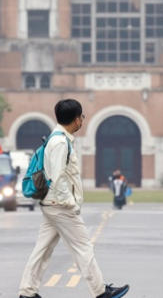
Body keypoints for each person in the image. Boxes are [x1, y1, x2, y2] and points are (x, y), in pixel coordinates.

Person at [18, 99, 129, 298]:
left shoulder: (59, 138)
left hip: (52, 204)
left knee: (42, 250)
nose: (82, 121)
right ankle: (101, 292)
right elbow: (57, 177)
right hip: (60, 206)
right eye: (82, 117)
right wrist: (70, 203)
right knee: (83, 247)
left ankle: (27, 292)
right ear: (76, 119)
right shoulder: (60, 142)